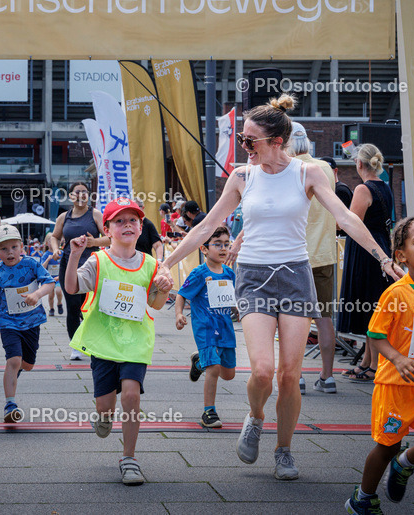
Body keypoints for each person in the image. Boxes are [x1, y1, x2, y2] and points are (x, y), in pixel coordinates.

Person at [160, 94, 401, 481]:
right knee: (263, 371)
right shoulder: (242, 176)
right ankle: (255, 417)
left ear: (276, 141)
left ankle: (284, 450)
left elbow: (345, 218)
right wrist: (166, 262)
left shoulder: (309, 174)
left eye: (249, 139)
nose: (243, 145)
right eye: (242, 138)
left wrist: (383, 258)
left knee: (290, 375)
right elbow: (205, 227)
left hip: (295, 276)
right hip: (254, 276)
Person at [344, 217, 414, 514]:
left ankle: (404, 464)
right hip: (395, 386)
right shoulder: (396, 293)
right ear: (401, 256)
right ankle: (362, 499)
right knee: (387, 446)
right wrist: (397, 358)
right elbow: (375, 334)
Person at [65, 197, 174, 486]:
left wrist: (164, 288)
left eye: (133, 220)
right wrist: (75, 255)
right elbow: (72, 288)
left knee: (131, 395)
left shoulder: (151, 264)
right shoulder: (98, 261)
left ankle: (129, 459)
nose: (127, 225)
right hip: (103, 343)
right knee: (105, 405)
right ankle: (103, 415)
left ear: (141, 227)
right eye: (120, 221)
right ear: (108, 229)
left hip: (136, 342)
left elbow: (156, 304)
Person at [0, 224, 55, 423]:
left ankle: (15, 371)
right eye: (4, 249)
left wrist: (37, 294)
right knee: (14, 360)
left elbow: (49, 282)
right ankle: (10, 405)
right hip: (9, 323)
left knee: (28, 365)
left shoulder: (31, 264)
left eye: (14, 247)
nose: (10, 252)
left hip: (32, 322)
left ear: (21, 247)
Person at [288, 122, 339, 395]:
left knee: (293, 319)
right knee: (324, 318)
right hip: (324, 253)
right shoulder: (326, 168)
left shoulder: (289, 169)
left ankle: (296, 376)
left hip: (295, 255)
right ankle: (328, 377)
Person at [338, 144, 395, 383]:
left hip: (366, 250)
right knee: (374, 307)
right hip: (380, 245)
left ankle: (373, 365)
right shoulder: (386, 187)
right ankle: (366, 362)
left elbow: (351, 224)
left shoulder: (363, 189)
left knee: (370, 308)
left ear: (359, 164)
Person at [174, 226, 237, 428]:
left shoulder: (229, 273)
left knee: (228, 374)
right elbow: (182, 294)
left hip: (225, 328)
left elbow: (230, 297)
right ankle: (208, 412)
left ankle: (199, 362)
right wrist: (179, 314)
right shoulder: (199, 273)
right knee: (214, 368)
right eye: (217, 244)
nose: (223, 248)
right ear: (204, 249)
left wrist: (236, 308)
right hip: (206, 328)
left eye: (226, 244)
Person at [49, 180, 106, 361]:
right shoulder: (63, 217)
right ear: (71, 196)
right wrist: (55, 249)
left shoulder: (95, 214)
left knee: (89, 308)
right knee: (73, 307)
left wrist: (94, 242)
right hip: (69, 265)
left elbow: (111, 238)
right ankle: (75, 346)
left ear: (88, 195)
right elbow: (54, 236)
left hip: (92, 266)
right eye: (77, 192)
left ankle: (93, 343)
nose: (81, 195)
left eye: (84, 192)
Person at [40, 232, 64, 316]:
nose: (54, 243)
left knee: (58, 291)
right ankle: (51, 308)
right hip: (49, 279)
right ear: (47, 243)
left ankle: (59, 303)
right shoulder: (45, 255)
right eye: (51, 241)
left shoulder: (61, 253)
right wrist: (47, 260)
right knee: (51, 295)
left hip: (58, 277)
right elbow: (42, 268)